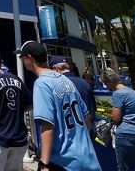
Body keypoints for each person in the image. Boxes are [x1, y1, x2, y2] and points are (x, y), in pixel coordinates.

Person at [16, 41, 100, 171]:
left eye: (22, 57)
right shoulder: (65, 80)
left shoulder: (42, 83)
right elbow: (87, 116)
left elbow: (47, 125)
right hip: (85, 157)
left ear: (29, 58)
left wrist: (44, 163)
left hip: (62, 160)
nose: (22, 61)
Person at [101, 69, 135, 171]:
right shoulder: (132, 91)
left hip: (127, 134)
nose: (106, 86)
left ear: (110, 81)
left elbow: (116, 118)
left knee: (125, 167)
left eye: (106, 83)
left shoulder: (118, 93)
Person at [51, 56, 96, 123]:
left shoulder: (56, 85)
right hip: (90, 124)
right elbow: (93, 107)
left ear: (56, 68)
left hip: (72, 128)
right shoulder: (85, 82)